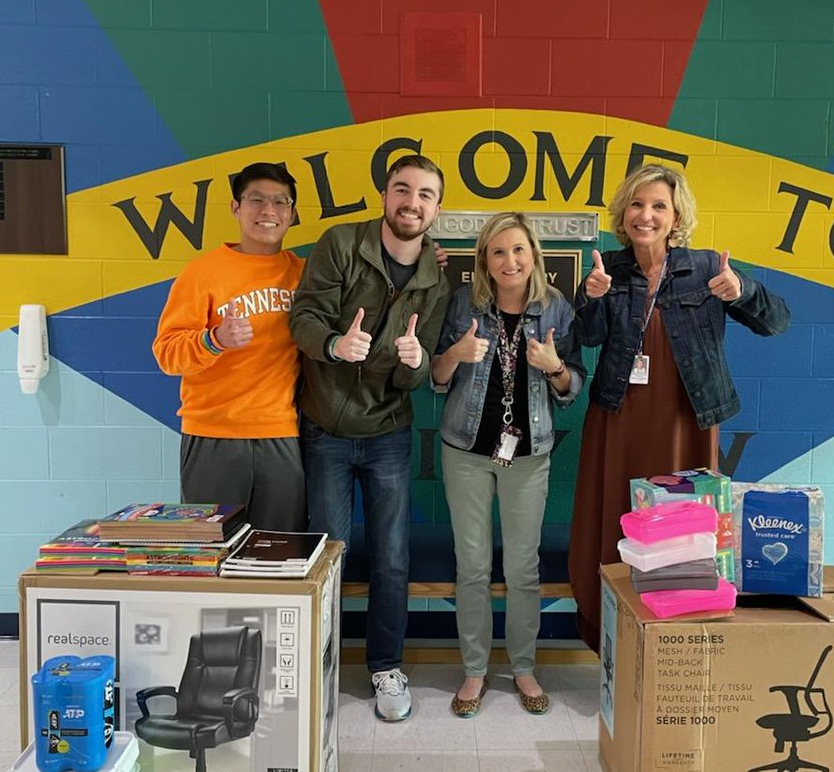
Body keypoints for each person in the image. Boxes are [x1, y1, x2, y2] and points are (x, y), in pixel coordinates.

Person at [567, 164, 790, 651]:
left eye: (658, 206)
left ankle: (673, 641)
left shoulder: (708, 267)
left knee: (682, 528)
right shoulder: (608, 266)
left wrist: (744, 291)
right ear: (623, 213)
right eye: (637, 204)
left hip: (684, 421)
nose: (645, 215)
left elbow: (777, 322)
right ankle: (613, 635)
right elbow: (585, 338)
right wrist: (591, 299)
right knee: (615, 517)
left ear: (675, 217)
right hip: (618, 416)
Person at [289, 155, 451, 722]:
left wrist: (413, 361)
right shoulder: (340, 243)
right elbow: (303, 316)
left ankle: (386, 666)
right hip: (326, 427)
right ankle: (320, 663)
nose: (412, 202)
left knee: (391, 558)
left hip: (388, 433)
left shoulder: (436, 275)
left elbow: (420, 374)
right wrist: (335, 345)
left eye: (425, 194)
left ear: (436, 208)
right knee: (328, 554)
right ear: (385, 194)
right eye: (403, 189)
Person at [432, 213, 584, 717]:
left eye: (518, 250)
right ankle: (475, 670)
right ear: (484, 262)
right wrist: (455, 352)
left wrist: (555, 368)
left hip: (529, 454)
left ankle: (522, 667)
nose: (510, 261)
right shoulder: (462, 304)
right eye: (498, 252)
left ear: (534, 256)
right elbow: (435, 377)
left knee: (523, 568)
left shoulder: (556, 308)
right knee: (471, 565)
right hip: (465, 452)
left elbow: (571, 388)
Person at [153, 161, 306, 532]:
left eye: (280, 202)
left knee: (279, 555)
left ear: (292, 214)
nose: (268, 211)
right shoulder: (201, 272)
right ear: (236, 208)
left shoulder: (305, 273)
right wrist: (215, 339)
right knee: (213, 556)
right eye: (256, 200)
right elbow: (167, 354)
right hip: (213, 435)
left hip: (280, 434)